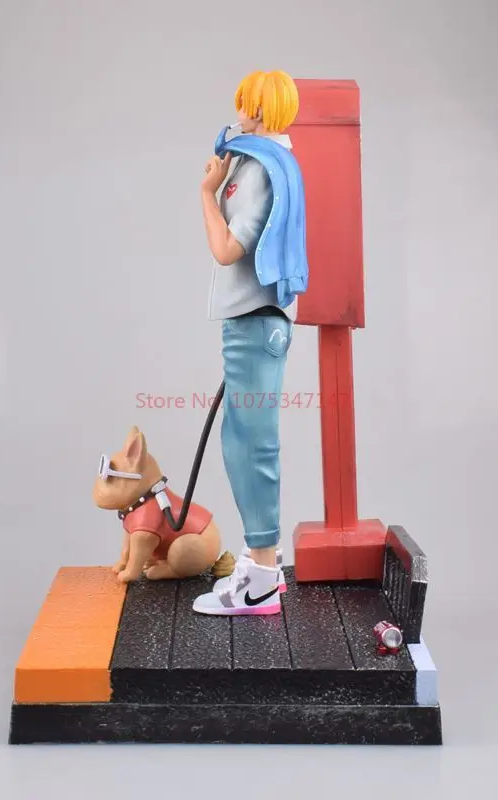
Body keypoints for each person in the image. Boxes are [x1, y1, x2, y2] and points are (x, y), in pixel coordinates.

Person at [192, 70, 308, 616]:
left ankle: (262, 578)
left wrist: (206, 194)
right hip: (253, 322)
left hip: (255, 321)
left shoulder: (260, 167)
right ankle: (262, 560)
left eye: (245, 104)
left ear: (258, 110)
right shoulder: (260, 161)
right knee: (243, 440)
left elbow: (227, 250)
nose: (238, 112)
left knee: (251, 444)